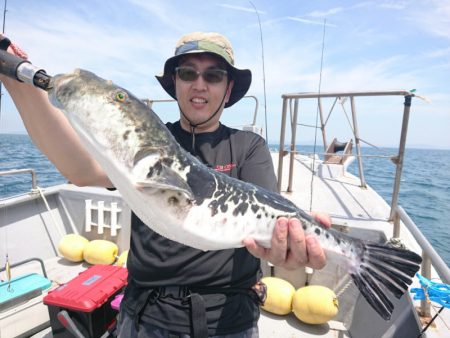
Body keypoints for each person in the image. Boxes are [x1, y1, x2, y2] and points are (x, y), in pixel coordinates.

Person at [1, 32, 330, 337]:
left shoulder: (248, 146)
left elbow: (272, 219)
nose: (199, 84)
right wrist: (15, 80)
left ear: (228, 89)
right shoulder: (144, 144)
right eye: (188, 73)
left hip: (228, 320)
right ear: (175, 83)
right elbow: (81, 169)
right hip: (146, 316)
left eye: (213, 75)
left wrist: (287, 248)